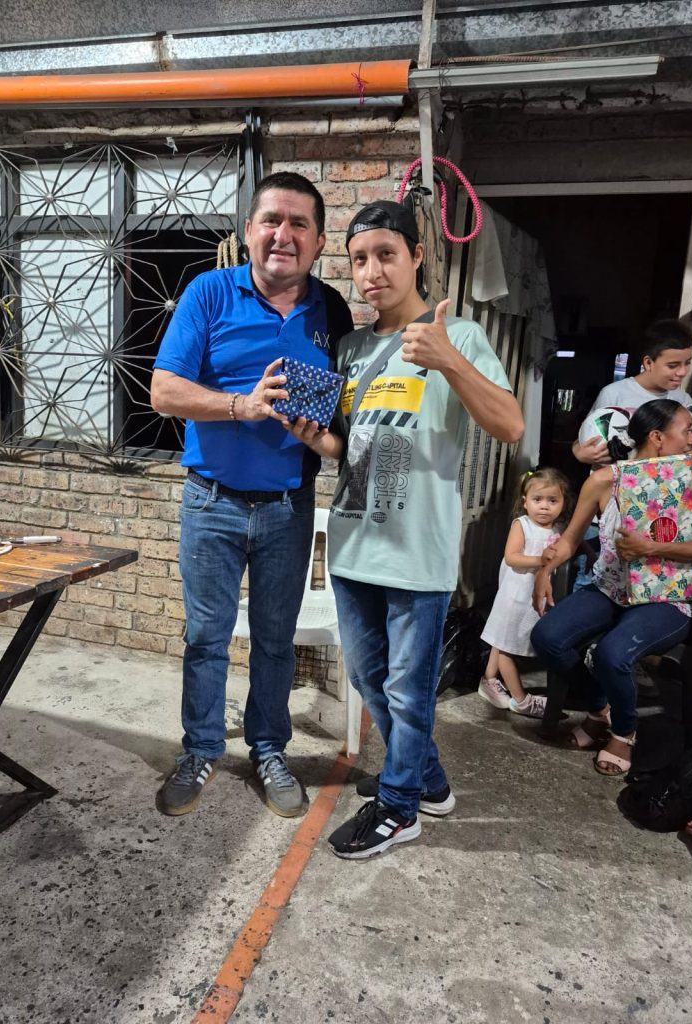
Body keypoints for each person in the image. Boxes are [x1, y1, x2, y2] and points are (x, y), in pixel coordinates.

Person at [284, 199, 524, 858]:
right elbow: (352, 448)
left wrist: (448, 360)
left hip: (418, 551)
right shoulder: (351, 349)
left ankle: (399, 808)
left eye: (386, 255)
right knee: (369, 681)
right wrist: (319, 442)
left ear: (417, 256)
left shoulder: (458, 336)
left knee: (408, 692)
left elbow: (509, 425)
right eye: (360, 259)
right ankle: (428, 782)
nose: (372, 272)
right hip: (353, 544)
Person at [150, 171, 353, 818]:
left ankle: (269, 749)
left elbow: (342, 419)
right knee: (206, 638)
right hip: (210, 502)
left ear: (318, 242)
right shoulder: (209, 292)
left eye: (298, 224)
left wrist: (320, 433)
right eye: (271, 220)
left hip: (289, 508)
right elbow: (163, 391)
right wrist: (242, 405)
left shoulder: (333, 311)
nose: (282, 235)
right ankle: (201, 749)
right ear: (248, 231)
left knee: (274, 641)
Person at [531, 399, 692, 777]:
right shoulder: (603, 481)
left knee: (611, 653)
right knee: (547, 636)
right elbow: (570, 539)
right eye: (686, 431)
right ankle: (598, 709)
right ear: (657, 437)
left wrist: (652, 548)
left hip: (665, 598)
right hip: (610, 588)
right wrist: (545, 571)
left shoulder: (691, 483)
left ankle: (624, 731)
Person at [478, 468, 569, 718]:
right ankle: (521, 699)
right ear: (525, 501)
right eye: (537, 499)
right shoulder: (523, 525)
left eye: (552, 500)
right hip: (515, 596)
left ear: (563, 503)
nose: (544, 506)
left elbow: (572, 545)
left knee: (502, 638)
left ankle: (488, 680)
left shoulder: (558, 528)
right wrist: (542, 559)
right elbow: (512, 557)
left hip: (532, 598)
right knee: (507, 647)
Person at [572, 319, 692, 466]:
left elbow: (690, 444)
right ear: (648, 363)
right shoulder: (614, 393)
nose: (683, 372)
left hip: (663, 478)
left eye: (687, 363)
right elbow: (585, 436)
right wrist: (579, 452)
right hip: (614, 477)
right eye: (673, 365)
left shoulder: (684, 401)